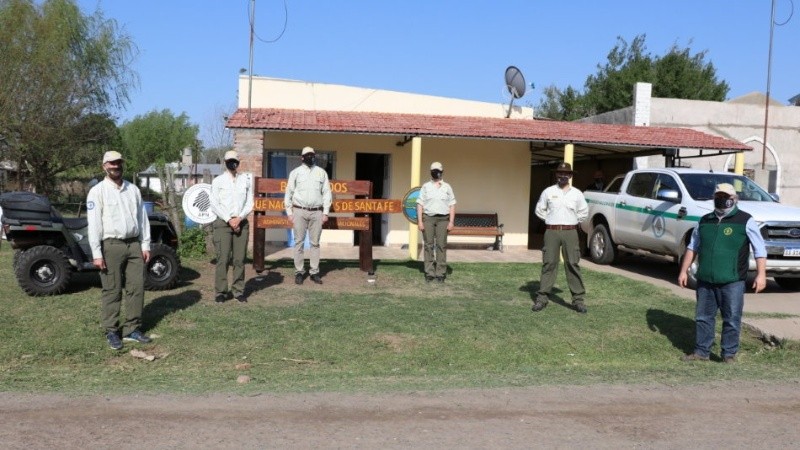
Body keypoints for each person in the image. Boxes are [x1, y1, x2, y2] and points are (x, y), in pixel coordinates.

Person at [678, 183, 767, 363]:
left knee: (732, 319)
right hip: (705, 280)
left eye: (725, 196)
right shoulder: (705, 221)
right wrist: (683, 271)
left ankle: (728, 355)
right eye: (718, 196)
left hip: (732, 280)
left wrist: (761, 275)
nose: (721, 199)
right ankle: (701, 352)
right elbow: (692, 246)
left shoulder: (745, 220)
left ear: (734, 199)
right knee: (703, 317)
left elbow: (759, 249)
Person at [87, 151, 152, 350]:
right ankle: (112, 331)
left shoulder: (133, 190)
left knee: (136, 287)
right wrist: (97, 253)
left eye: (118, 163)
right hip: (111, 245)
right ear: (104, 166)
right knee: (112, 289)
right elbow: (94, 224)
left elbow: (142, 219)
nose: (115, 166)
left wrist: (145, 244)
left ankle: (132, 328)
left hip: (133, 244)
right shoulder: (97, 192)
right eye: (111, 163)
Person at [533, 162, 589, 313]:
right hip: (551, 231)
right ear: (556, 175)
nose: (563, 176)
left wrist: (574, 221)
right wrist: (549, 219)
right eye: (560, 173)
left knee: (572, 263)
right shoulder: (548, 192)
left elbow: (584, 212)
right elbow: (539, 210)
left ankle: (578, 300)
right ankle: (542, 298)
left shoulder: (577, 194)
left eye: (566, 173)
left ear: (570, 176)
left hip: (570, 232)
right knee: (549, 263)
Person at [210, 150, 254, 303]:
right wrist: (229, 219)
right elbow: (214, 204)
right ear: (225, 162)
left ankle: (238, 290)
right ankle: (221, 292)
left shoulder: (245, 180)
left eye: (235, 160)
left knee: (239, 259)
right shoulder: (218, 181)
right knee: (222, 259)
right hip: (223, 223)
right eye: (230, 160)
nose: (232, 163)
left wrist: (239, 218)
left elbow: (250, 202)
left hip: (241, 222)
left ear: (238, 162)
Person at [284, 146, 332, 285]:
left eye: (312, 155)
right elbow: (289, 193)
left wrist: (325, 212)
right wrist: (289, 212)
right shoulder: (295, 173)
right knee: (298, 243)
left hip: (317, 212)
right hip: (299, 211)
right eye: (307, 155)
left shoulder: (321, 173)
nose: (310, 157)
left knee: (315, 243)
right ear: (302, 157)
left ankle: (314, 272)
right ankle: (299, 272)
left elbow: (327, 193)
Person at [416, 161, 457, 282]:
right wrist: (420, 221)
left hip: (443, 219)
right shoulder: (425, 187)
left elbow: (452, 205)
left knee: (441, 246)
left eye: (438, 170)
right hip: (428, 218)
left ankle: (440, 273)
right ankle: (429, 273)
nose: (436, 173)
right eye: (434, 171)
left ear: (442, 172)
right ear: (431, 172)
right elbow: (419, 204)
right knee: (428, 245)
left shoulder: (447, 187)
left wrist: (451, 222)